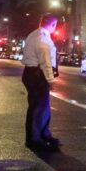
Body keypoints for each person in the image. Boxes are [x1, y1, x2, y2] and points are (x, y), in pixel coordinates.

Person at [21, 14, 60, 151]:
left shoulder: (34, 34)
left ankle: (43, 134)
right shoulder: (42, 38)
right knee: (38, 108)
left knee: (42, 107)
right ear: (53, 25)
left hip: (32, 74)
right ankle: (34, 139)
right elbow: (45, 62)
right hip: (38, 75)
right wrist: (51, 80)